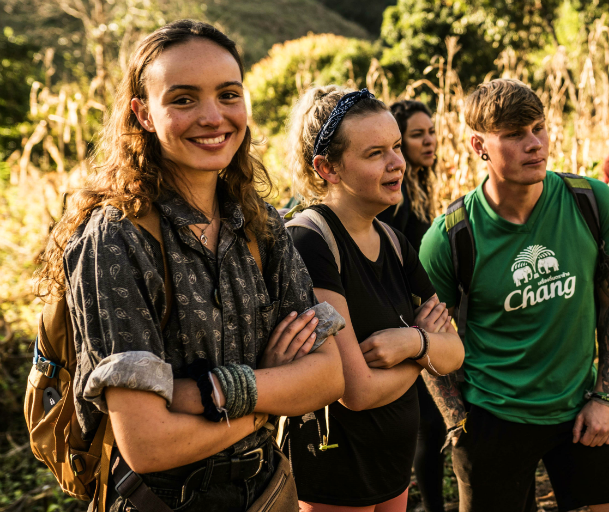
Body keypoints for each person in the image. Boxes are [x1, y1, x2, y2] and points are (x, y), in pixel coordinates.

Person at [35, 20, 346, 511]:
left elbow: (329, 376)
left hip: (268, 493)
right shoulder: (116, 238)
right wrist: (267, 400)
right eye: (183, 99)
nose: (212, 116)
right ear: (143, 114)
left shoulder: (259, 222)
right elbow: (148, 443)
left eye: (228, 94)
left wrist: (214, 391)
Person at [418, 79, 609, 512]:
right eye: (514, 135)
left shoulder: (589, 202)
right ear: (479, 145)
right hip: (492, 419)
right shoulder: (451, 237)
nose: (534, 144)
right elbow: (427, 339)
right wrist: (457, 421)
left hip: (581, 409)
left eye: (539, 128)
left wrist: (605, 397)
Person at [284, 85, 464, 512]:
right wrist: (424, 354)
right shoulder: (312, 242)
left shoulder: (394, 241)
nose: (397, 162)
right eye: (375, 153)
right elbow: (356, 390)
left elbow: (455, 351)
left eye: (396, 147)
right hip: (339, 471)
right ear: (327, 168)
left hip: (393, 465)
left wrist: (413, 344)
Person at [378, 99, 448, 512]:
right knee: (427, 422)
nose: (430, 141)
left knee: (428, 421)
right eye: (417, 134)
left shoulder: (420, 184)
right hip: (405, 321)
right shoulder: (394, 196)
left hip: (424, 317)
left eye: (432, 131)